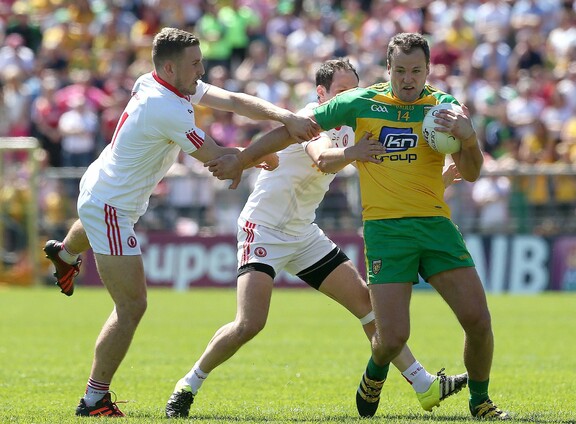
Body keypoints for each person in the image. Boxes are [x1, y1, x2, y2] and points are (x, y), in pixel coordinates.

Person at [209, 33, 509, 420]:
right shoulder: (360, 102)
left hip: (436, 226)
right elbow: (294, 130)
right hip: (386, 232)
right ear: (387, 69)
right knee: (392, 337)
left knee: (478, 320)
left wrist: (469, 139)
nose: (408, 79)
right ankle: (375, 371)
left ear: (428, 70)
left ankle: (480, 402)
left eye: (416, 71)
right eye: (400, 71)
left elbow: (471, 172)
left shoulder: (443, 108)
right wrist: (243, 158)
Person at [42, 27, 319, 417]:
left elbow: (231, 99)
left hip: (100, 184)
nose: (201, 69)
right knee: (132, 306)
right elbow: (216, 159)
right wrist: (255, 156)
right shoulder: (166, 107)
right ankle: (93, 400)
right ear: (170, 68)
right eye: (195, 64)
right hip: (111, 207)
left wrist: (284, 115)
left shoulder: (157, 82)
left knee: (93, 223)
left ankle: (66, 254)